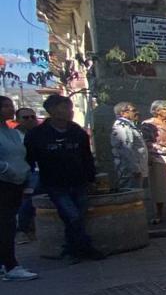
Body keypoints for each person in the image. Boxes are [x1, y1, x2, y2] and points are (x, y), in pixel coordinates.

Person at [25, 94, 103, 262]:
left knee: (78, 216)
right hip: (55, 184)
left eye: (70, 108)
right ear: (52, 110)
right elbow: (29, 159)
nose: (70, 112)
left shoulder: (77, 132)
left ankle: (72, 250)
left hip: (79, 181)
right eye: (65, 108)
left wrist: (91, 179)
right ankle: (83, 248)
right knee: (72, 215)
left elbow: (87, 157)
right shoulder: (38, 134)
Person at [0, 96, 37, 280]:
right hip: (3, 183)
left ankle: (5, 263)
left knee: (8, 223)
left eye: (11, 105)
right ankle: (10, 265)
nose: (10, 109)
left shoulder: (13, 133)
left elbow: (21, 156)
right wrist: (7, 170)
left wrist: (24, 174)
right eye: (5, 106)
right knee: (6, 224)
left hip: (17, 183)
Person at [109, 102, 148, 191]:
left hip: (136, 168)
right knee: (132, 194)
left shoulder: (129, 125)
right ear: (123, 113)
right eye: (133, 110)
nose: (136, 112)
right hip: (129, 170)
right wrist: (135, 168)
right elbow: (126, 149)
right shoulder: (122, 126)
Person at [13, 108, 38, 242]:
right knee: (28, 199)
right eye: (26, 117)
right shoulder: (14, 136)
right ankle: (22, 229)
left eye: (32, 117)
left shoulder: (40, 133)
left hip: (40, 170)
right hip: (23, 172)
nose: (30, 120)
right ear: (18, 120)